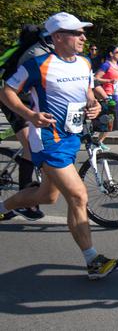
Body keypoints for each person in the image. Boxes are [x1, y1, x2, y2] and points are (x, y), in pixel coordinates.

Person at [0, 12, 118, 279]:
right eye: (76, 33)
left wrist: (94, 105)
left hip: (71, 137)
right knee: (78, 196)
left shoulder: (85, 64)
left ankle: (2, 208)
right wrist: (31, 115)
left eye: (82, 32)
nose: (83, 37)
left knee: (47, 196)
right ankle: (93, 262)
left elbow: (87, 93)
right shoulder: (37, 65)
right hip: (47, 140)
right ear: (58, 37)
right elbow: (6, 91)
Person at [0, 26, 55, 222]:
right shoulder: (36, 53)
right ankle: (26, 202)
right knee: (30, 147)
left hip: (29, 99)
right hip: (12, 97)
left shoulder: (53, 50)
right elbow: (18, 84)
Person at [94, 46, 118, 151]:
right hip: (108, 94)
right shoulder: (106, 65)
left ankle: (98, 140)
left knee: (117, 120)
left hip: (117, 94)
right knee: (110, 120)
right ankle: (97, 140)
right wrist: (108, 81)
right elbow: (96, 78)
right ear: (111, 54)